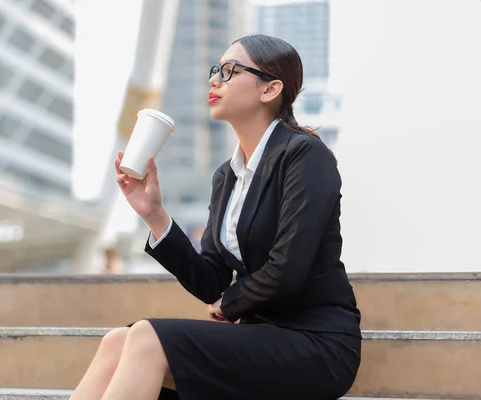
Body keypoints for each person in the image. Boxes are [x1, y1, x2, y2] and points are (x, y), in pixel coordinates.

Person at [69, 34, 361, 400]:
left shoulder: (304, 156)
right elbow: (210, 281)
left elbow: (288, 267)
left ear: (270, 90)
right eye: (215, 70)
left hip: (316, 342)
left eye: (229, 71)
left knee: (145, 336)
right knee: (118, 341)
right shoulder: (227, 175)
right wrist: (155, 216)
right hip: (258, 337)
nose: (214, 80)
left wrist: (231, 302)